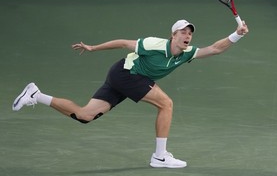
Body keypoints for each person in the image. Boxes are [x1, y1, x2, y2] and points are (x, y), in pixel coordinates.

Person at [12, 19, 249, 168]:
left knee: (85, 116)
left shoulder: (187, 53)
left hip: (124, 77)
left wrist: (237, 34)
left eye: (190, 33)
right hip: (126, 74)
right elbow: (125, 43)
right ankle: (160, 156)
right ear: (173, 35)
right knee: (166, 104)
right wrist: (93, 47)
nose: (187, 36)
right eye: (182, 32)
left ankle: (36, 95)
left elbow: (216, 48)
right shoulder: (156, 44)